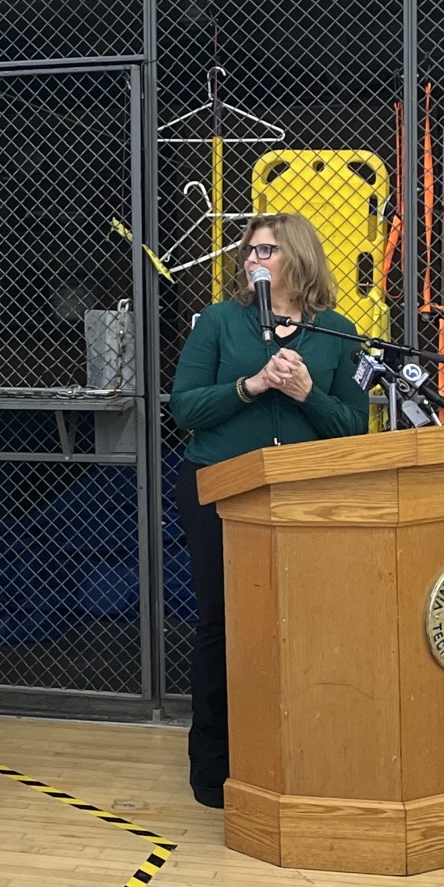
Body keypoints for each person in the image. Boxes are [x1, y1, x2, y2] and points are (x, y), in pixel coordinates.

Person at [168, 213, 370, 809]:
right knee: (222, 624)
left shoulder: (337, 332)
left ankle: (301, 752)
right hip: (220, 488)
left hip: (302, 495)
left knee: (303, 623)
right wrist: (251, 385)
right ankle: (214, 768)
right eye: (250, 250)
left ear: (298, 257)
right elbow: (184, 408)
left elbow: (353, 427)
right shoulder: (218, 322)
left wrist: (307, 394)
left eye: (268, 249)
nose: (254, 259)